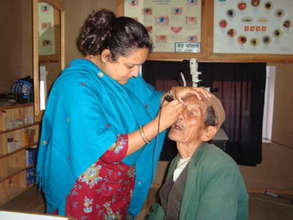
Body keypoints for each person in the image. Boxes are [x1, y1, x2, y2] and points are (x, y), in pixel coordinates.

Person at [36, 9, 208, 220]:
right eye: (130, 65)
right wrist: (160, 123)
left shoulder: (122, 77)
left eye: (139, 65)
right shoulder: (75, 87)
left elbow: (150, 100)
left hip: (120, 180)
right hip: (85, 186)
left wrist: (174, 92)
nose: (136, 73)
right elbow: (109, 149)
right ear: (106, 55)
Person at [147, 93, 249, 220]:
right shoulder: (177, 160)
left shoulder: (221, 169)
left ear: (208, 132)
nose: (179, 116)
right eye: (181, 109)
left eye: (192, 113)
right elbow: (164, 206)